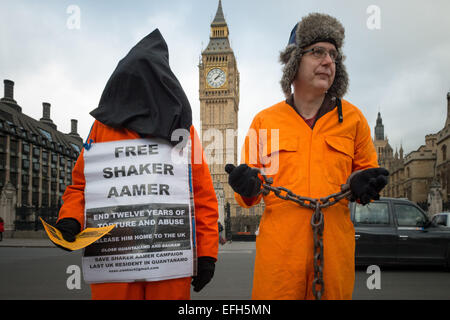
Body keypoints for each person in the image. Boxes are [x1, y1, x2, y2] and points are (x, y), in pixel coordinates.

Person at [225, 13, 388, 300]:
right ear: (293, 61)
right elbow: (247, 198)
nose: (329, 61)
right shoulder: (265, 122)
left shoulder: (354, 120)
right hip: (279, 263)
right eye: (318, 52)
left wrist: (363, 183)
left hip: (334, 257)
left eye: (334, 54)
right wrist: (246, 185)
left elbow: (368, 172)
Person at [53, 29, 219, 300]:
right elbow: (82, 186)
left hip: (168, 262)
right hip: (115, 263)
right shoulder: (101, 128)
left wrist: (207, 253)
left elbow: (201, 196)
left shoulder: (183, 130)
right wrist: (70, 219)